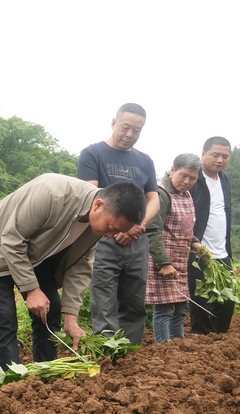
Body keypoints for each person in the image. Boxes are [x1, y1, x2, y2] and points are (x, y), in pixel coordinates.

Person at [0, 174, 146, 368]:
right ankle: (12, 384)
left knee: (51, 308)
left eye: (117, 232)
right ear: (98, 205)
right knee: (4, 322)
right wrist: (32, 290)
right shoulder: (52, 193)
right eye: (112, 227)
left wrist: (71, 318)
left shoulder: (97, 226)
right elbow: (12, 239)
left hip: (32, 252)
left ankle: (45, 375)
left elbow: (80, 266)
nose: (112, 236)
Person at [77, 103, 160, 346]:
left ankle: (130, 354)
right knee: (103, 300)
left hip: (137, 238)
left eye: (137, 130)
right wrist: (120, 227)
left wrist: (137, 226)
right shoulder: (93, 154)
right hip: (104, 239)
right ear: (114, 123)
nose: (130, 134)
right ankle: (108, 353)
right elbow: (90, 194)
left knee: (135, 301)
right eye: (126, 127)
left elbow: (153, 199)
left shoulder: (145, 160)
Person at [145, 153, 205, 342]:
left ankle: (179, 344)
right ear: (173, 170)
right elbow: (153, 230)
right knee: (165, 308)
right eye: (183, 175)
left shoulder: (185, 194)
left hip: (180, 259)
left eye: (193, 178)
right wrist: (163, 263)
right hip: (163, 259)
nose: (187, 181)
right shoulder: (161, 193)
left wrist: (195, 242)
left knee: (180, 308)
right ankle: (163, 348)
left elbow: (184, 226)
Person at [188, 137, 235, 334]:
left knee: (227, 299)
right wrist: (193, 243)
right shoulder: (193, 179)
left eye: (225, 156)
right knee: (201, 300)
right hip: (199, 252)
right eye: (215, 155)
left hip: (222, 251)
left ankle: (221, 340)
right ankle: (201, 342)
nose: (220, 160)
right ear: (204, 154)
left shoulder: (224, 179)